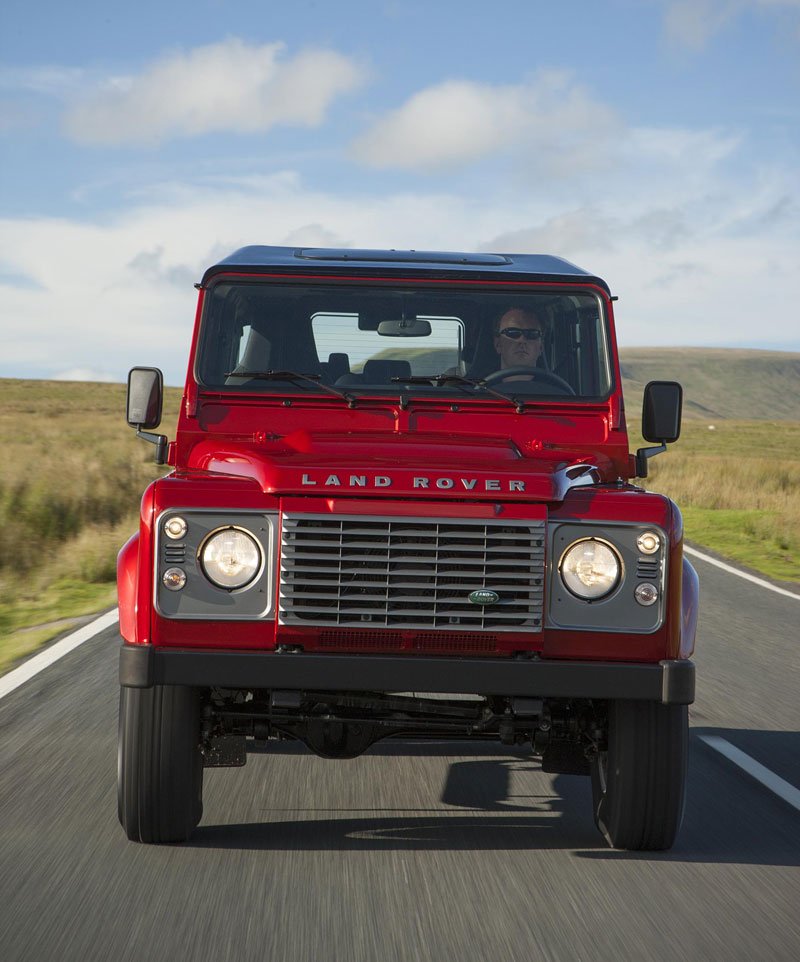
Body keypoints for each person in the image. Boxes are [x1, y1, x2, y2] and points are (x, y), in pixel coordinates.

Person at [493, 307, 544, 378]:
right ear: (498, 344)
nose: (522, 340)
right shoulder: (478, 387)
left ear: (541, 347)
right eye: (512, 332)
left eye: (532, 334)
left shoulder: (554, 388)